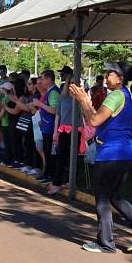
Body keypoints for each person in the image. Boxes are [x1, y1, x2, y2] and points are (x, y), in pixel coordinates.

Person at [69, 62, 132, 253]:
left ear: (120, 79)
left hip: (111, 154)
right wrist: (86, 103)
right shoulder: (125, 95)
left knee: (102, 199)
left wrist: (83, 100)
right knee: (114, 196)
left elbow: (94, 120)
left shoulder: (116, 96)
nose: (106, 77)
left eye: (110, 74)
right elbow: (95, 119)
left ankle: (105, 243)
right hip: (123, 153)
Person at [50, 66, 81, 195]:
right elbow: (58, 116)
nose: (72, 85)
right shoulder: (62, 99)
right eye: (70, 83)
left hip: (77, 131)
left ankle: (71, 181)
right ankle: (57, 183)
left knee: (73, 158)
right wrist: (55, 132)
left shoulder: (80, 100)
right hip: (63, 131)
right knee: (61, 157)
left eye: (75, 83)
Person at [32, 70, 60, 185]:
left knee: (50, 153)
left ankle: (50, 175)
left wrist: (39, 104)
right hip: (46, 127)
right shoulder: (50, 92)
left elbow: (55, 110)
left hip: (51, 128)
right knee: (47, 152)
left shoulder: (53, 92)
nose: (41, 82)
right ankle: (47, 174)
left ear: (49, 79)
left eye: (43, 79)